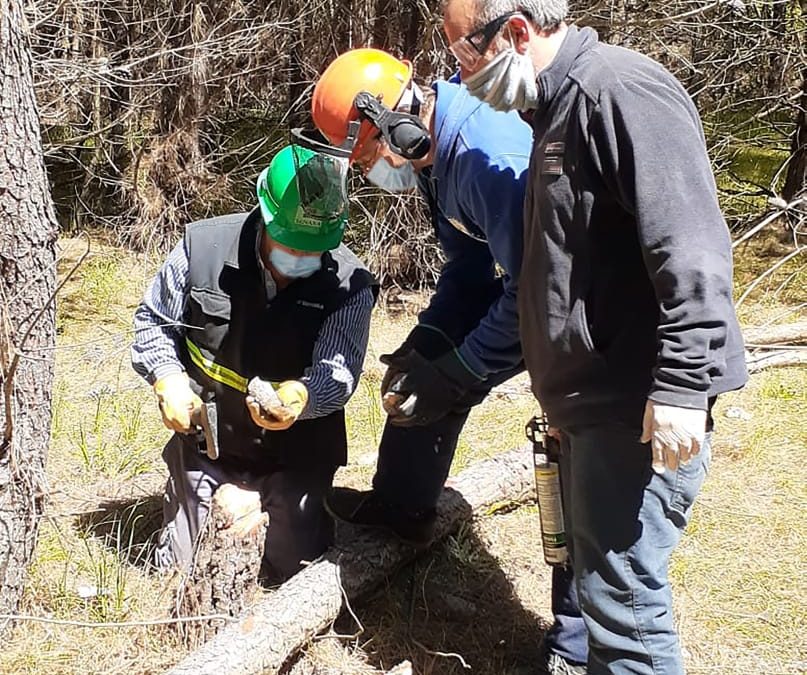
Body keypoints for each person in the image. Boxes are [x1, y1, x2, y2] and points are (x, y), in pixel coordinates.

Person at [441, 1, 749, 673]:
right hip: (590, 406)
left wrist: (679, 384)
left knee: (625, 602)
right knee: (600, 591)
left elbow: (691, 246)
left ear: (516, 32)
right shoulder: (549, 115)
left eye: (465, 54)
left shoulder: (616, 91)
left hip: (635, 404)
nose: (461, 76)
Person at [311, 48, 588, 674]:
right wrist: (432, 341)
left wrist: (461, 371)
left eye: (364, 157)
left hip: (580, 322)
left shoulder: (489, 159)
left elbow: (535, 297)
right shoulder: (436, 157)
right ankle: (402, 506)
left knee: (573, 466)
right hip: (530, 292)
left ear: (393, 124)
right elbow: (467, 271)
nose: (369, 172)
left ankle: (576, 646)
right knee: (423, 372)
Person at [131, 141, 377, 581]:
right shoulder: (202, 247)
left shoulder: (349, 283)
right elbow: (153, 322)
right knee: (179, 571)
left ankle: (300, 516)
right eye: (290, 244)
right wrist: (167, 380)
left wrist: (301, 396)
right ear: (264, 215)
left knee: (293, 568)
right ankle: (189, 502)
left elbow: (338, 374)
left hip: (296, 452)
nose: (298, 259)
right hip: (209, 444)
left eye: (312, 250)